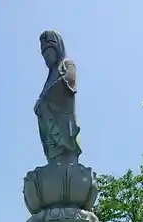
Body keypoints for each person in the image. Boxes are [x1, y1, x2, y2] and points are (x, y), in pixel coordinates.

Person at [34, 30, 81, 165]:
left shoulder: (67, 64)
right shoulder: (49, 77)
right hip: (49, 123)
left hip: (64, 118)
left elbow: (69, 80)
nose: (47, 58)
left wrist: (47, 98)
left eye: (49, 53)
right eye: (45, 55)